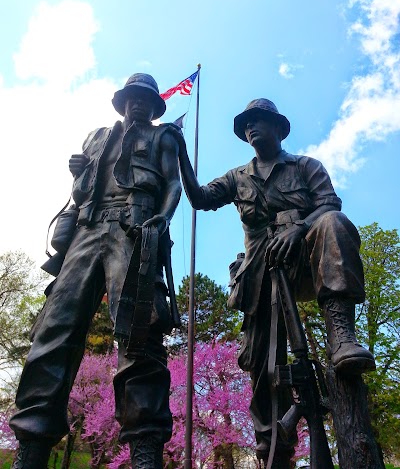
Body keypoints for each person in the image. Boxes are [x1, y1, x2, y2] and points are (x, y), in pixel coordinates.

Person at [173, 98, 375, 469]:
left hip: (302, 264)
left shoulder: (305, 167)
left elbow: (330, 204)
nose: (252, 127)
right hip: (258, 275)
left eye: (260, 121)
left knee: (333, 223)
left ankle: (342, 336)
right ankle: (273, 454)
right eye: (248, 123)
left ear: (279, 128)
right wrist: (181, 152)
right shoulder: (238, 176)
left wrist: (299, 228)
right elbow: (200, 199)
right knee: (262, 367)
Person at [9, 73, 181, 469]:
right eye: (131, 97)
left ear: (155, 106)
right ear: (121, 101)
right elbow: (84, 190)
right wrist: (78, 175)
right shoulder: (97, 136)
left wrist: (161, 220)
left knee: (140, 330)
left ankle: (144, 448)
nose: (137, 103)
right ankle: (31, 445)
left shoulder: (163, 138)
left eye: (145, 99)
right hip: (87, 230)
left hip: (135, 226)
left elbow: (173, 185)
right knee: (54, 330)